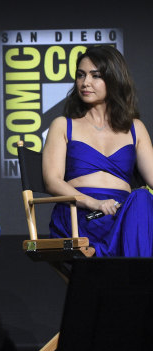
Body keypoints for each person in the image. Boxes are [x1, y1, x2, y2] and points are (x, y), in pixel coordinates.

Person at [43, 45, 153, 257]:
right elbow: (52, 182)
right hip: (81, 215)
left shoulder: (135, 128)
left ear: (114, 80)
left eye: (96, 76)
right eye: (81, 75)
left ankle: (118, 266)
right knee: (139, 225)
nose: (85, 83)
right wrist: (95, 203)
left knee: (142, 199)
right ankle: (136, 280)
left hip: (122, 214)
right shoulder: (63, 125)